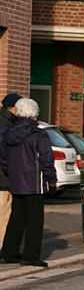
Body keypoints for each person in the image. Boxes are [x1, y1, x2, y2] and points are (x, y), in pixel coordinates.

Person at [0, 98, 56, 267]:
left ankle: (9, 252)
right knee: (34, 221)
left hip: (16, 181)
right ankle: (30, 255)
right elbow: (46, 159)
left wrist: (11, 173)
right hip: (34, 182)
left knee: (16, 218)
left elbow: (3, 158)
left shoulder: (9, 134)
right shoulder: (38, 134)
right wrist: (51, 179)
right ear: (34, 113)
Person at [0, 93, 22, 249]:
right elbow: (4, 152)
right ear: (13, 107)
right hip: (4, 178)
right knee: (4, 212)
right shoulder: (7, 125)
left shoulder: (6, 122)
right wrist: (11, 170)